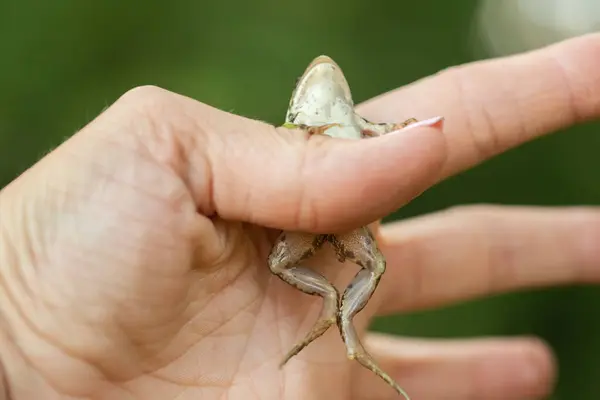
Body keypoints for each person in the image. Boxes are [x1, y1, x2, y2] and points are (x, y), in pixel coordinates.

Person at [0, 33, 598, 400]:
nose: (323, 69)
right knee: (312, 260)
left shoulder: (350, 121)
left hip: (342, 214)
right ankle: (334, 317)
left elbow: (383, 129)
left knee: (376, 260)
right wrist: (17, 338)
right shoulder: (296, 125)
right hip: (302, 224)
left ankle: (338, 324)